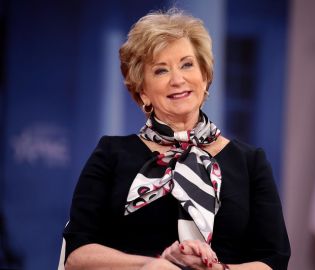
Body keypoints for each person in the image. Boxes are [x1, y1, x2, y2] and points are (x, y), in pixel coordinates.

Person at [63, 8, 290, 270]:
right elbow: (77, 255)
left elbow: (273, 261)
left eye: (187, 64)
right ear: (143, 90)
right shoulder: (110, 154)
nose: (177, 79)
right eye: (161, 70)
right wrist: (155, 265)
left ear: (204, 77)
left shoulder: (251, 163)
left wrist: (216, 269)